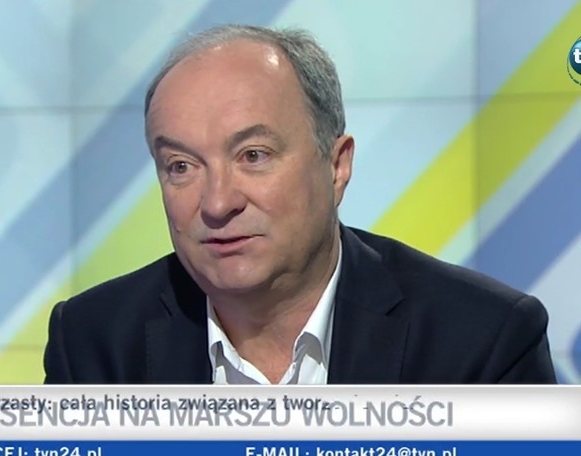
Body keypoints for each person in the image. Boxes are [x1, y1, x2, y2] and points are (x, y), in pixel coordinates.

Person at [43, 24, 556, 384]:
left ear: (336, 166)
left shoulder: (481, 341)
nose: (217, 202)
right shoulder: (93, 342)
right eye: (181, 166)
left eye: (253, 156)